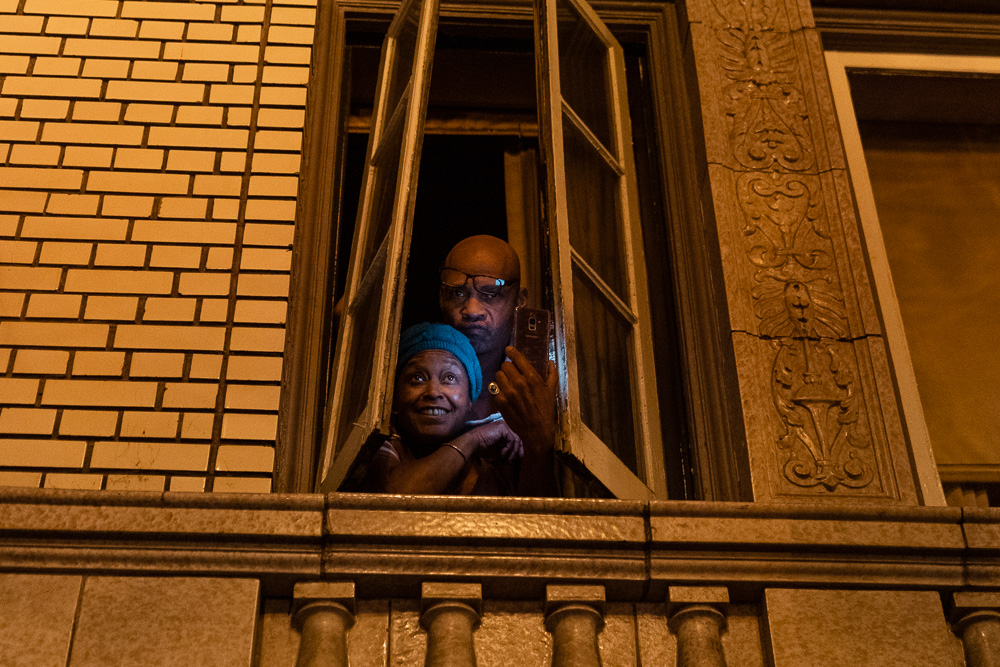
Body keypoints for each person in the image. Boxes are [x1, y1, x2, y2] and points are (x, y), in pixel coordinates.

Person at [438, 235, 558, 496]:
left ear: (520, 300)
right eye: (458, 293)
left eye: (490, 294)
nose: (471, 309)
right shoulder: (421, 379)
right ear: (441, 298)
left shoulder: (536, 385)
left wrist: (538, 441)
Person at [361, 322, 524, 495]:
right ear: (394, 396)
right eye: (418, 378)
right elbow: (392, 497)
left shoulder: (500, 455)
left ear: (470, 399)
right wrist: (473, 439)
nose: (433, 392)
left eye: (450, 378)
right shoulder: (380, 442)